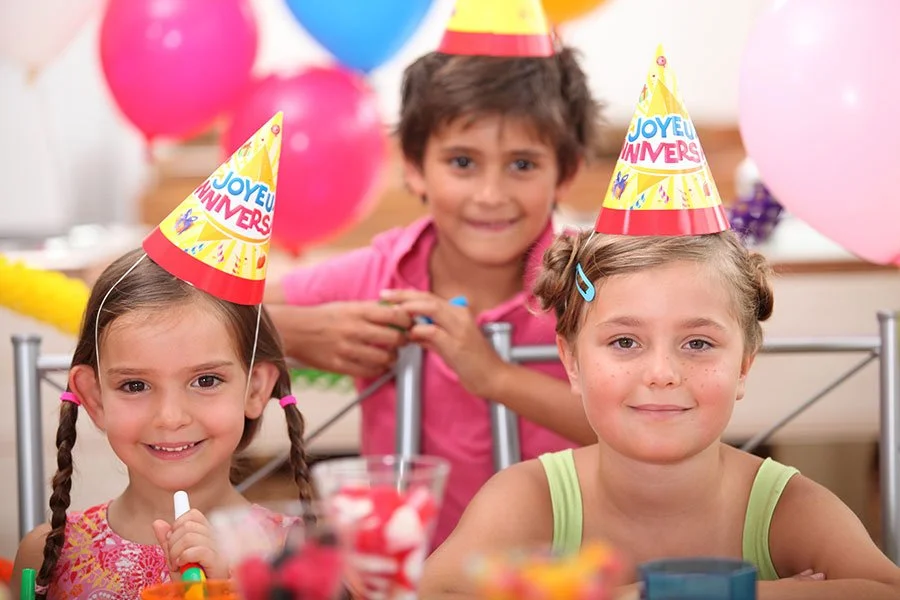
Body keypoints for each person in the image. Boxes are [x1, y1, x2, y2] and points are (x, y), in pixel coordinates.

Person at [419, 47, 900, 599]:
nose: (662, 372)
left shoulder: (783, 506)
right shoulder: (531, 500)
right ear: (571, 362)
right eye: (625, 341)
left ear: (744, 366)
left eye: (697, 343)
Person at [265, 0, 602, 548]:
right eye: (462, 162)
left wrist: (495, 377)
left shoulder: (595, 284)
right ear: (415, 167)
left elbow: (640, 431)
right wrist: (290, 330)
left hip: (562, 575)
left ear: (565, 174)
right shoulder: (380, 276)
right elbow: (184, 308)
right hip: (411, 575)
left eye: (522, 164)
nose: (490, 195)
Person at [13, 114, 312, 599]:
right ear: (94, 397)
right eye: (135, 385)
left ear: (256, 387)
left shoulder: (298, 562)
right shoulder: (48, 556)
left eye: (206, 380)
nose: (170, 417)